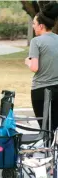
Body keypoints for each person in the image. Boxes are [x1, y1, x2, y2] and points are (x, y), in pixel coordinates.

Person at [25, 2, 58, 132]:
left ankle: (47, 149)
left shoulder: (36, 42)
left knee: (45, 128)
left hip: (41, 90)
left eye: (34, 23)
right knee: (55, 126)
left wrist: (27, 61)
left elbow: (34, 67)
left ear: (41, 26)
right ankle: (53, 150)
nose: (33, 26)